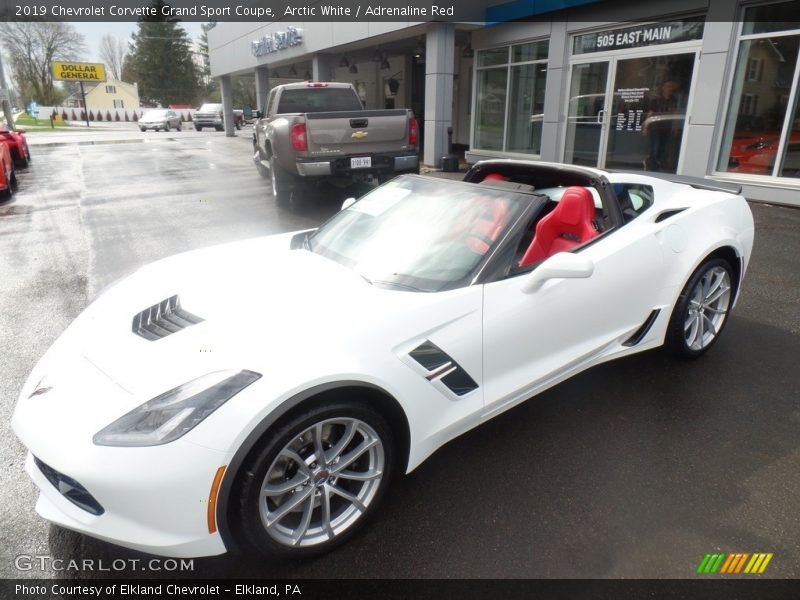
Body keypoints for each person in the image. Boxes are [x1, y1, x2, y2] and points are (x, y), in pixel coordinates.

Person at [643, 80, 682, 172]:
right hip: (656, 127)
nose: (669, 88)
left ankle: (658, 164)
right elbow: (650, 113)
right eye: (667, 86)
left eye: (671, 87)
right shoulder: (656, 100)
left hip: (667, 127)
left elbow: (675, 113)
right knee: (655, 147)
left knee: (663, 147)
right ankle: (651, 164)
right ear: (663, 88)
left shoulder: (673, 100)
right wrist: (646, 127)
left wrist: (675, 126)